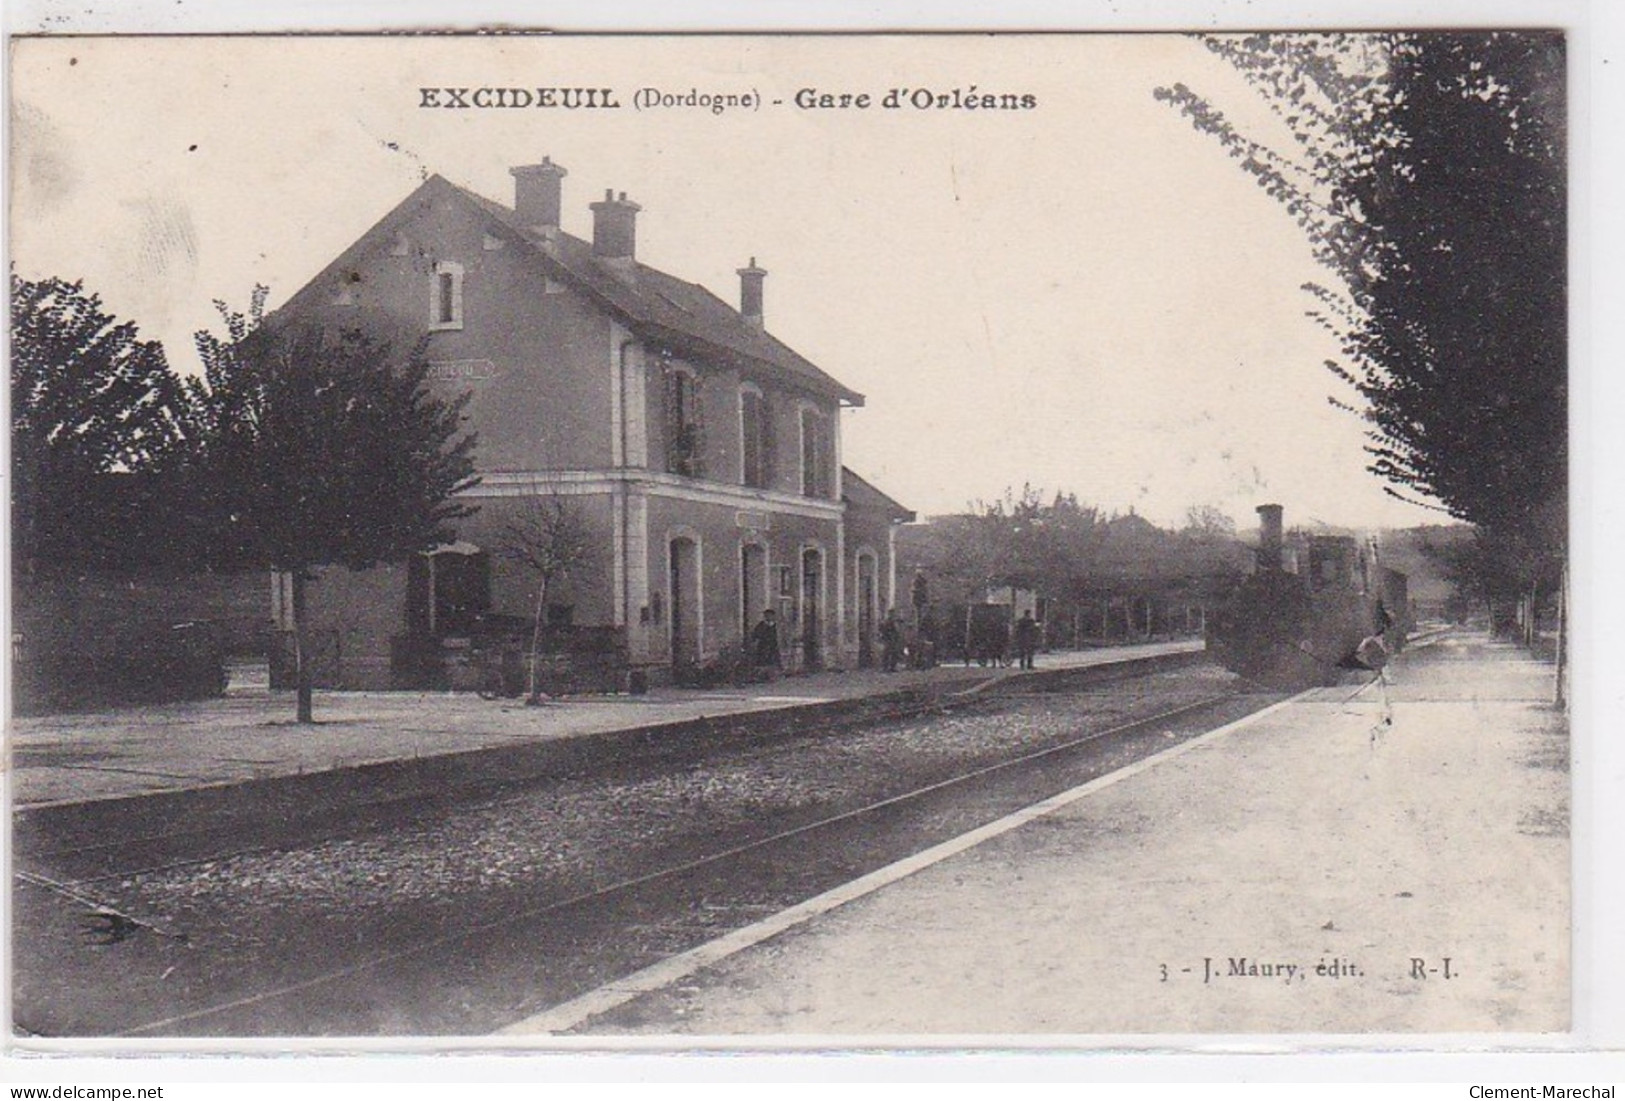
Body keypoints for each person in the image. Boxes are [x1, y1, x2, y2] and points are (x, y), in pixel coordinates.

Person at [750, 609, 782, 675]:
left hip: (773, 645)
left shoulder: (776, 625)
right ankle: (762, 674)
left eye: (770, 615)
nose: (768, 617)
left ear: (773, 616)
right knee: (762, 659)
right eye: (766, 615)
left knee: (773, 658)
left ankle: (772, 674)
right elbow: (755, 633)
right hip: (763, 645)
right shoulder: (762, 625)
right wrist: (755, 640)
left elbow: (779, 635)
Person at [879, 608, 905, 673]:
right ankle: (885, 667)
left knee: (894, 653)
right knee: (887, 653)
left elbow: (898, 630)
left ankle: (892, 667)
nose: (893, 615)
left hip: (894, 640)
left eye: (893, 614)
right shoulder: (888, 621)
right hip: (889, 639)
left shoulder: (894, 621)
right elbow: (885, 630)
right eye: (892, 614)